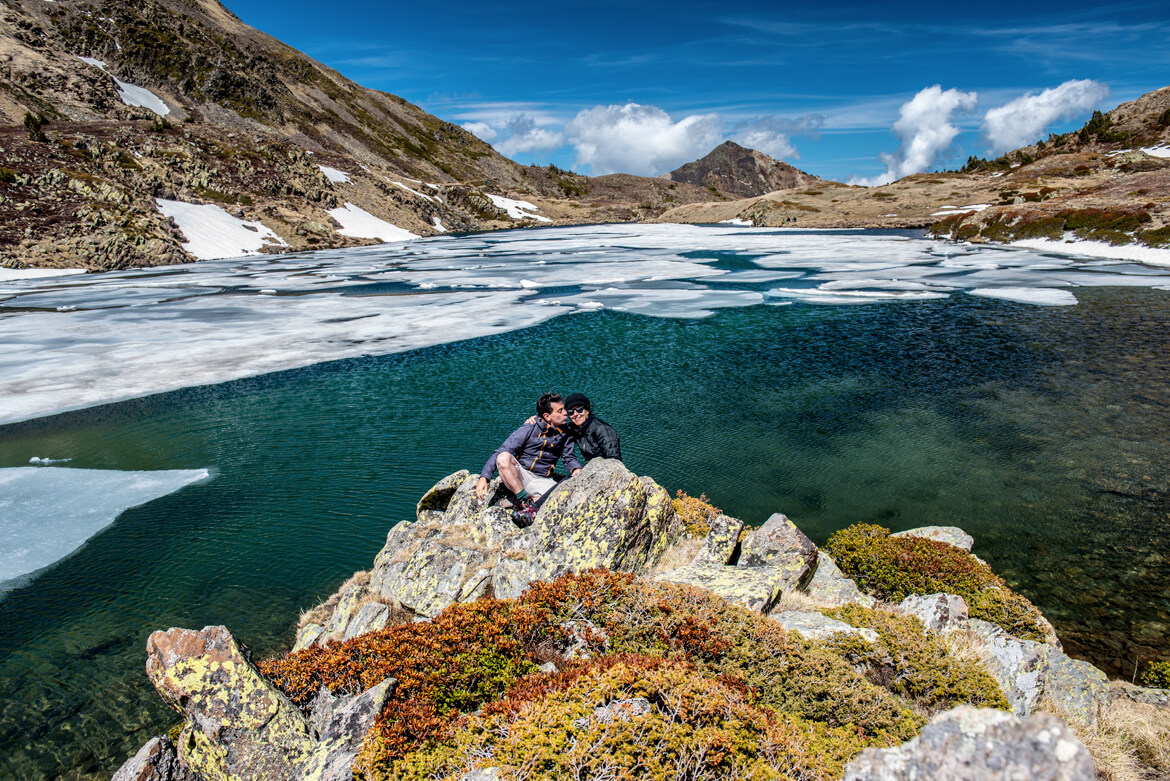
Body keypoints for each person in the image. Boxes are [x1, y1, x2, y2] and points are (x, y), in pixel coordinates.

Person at [477, 392, 581, 522]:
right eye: (560, 411)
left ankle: (524, 504)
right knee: (503, 458)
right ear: (547, 416)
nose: (565, 413)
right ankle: (523, 503)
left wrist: (576, 469)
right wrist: (484, 477)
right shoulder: (530, 427)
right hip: (521, 475)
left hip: (543, 480)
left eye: (564, 409)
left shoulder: (566, 433)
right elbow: (503, 449)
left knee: (561, 497)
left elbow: (569, 458)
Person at [562, 392, 621, 462]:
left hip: (607, 468)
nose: (575, 414)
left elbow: (614, 459)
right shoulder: (575, 429)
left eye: (579, 409)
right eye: (571, 412)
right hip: (591, 466)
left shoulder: (603, 430)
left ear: (587, 410)